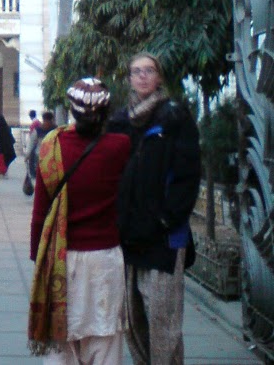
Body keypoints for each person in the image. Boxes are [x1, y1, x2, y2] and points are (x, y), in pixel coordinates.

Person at [29, 77, 131, 363]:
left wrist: (39, 258)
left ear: (72, 110)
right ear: (105, 111)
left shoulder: (52, 146)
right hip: (106, 261)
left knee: (62, 346)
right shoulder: (121, 146)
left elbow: (40, 214)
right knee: (105, 341)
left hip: (62, 261)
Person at [111, 52, 201, 365]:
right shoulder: (120, 122)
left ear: (159, 76)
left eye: (149, 70)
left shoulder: (174, 118)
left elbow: (188, 176)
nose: (143, 76)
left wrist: (166, 219)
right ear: (129, 78)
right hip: (130, 235)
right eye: (136, 71)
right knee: (134, 319)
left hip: (164, 237)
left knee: (163, 319)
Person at [26, 110, 55, 180]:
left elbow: (31, 142)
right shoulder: (56, 129)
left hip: (41, 154)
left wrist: (28, 154)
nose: (47, 123)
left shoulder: (38, 130)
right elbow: (32, 142)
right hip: (48, 155)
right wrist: (28, 154)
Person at [0, 109, 16, 176]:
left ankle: (1, 171)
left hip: (1, 148)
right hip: (2, 147)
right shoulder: (4, 127)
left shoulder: (1, 128)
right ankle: (1, 171)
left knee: (1, 158)